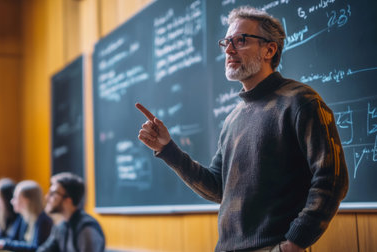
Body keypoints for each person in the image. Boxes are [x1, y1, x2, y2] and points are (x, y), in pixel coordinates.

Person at [136, 6, 349, 252]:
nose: (229, 49)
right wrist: (168, 149)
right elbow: (217, 187)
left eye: (241, 40)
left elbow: (333, 179)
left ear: (269, 49)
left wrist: (294, 243)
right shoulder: (232, 119)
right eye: (226, 42)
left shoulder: (300, 102)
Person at [37, 172, 105, 252]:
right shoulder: (61, 227)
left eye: (53, 193)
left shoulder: (86, 229)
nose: (47, 197)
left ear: (68, 200)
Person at [0, 180, 53, 251]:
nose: (12, 201)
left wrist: (5, 244)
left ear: (26, 201)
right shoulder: (23, 217)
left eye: (15, 197)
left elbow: (36, 248)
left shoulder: (43, 220)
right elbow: (13, 238)